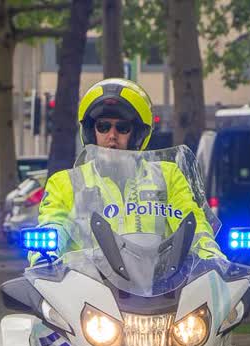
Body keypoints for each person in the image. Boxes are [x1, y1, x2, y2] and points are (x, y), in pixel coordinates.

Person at [30, 78, 223, 265]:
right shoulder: (66, 183)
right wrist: (45, 254)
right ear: (91, 131)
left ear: (137, 134)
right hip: (86, 290)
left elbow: (192, 222)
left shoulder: (167, 176)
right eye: (103, 127)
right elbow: (54, 223)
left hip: (159, 288)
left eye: (122, 128)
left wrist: (211, 255)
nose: (112, 136)